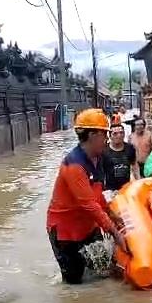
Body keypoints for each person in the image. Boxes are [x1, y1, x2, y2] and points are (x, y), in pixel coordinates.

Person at [47, 108, 127, 284]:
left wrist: (113, 217)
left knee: (104, 269)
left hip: (88, 227)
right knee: (74, 283)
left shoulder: (97, 159)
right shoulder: (74, 165)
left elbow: (98, 196)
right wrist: (115, 233)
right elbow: (89, 205)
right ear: (91, 135)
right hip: (65, 232)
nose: (107, 139)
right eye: (104, 134)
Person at [102, 117, 139, 191]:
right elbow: (100, 172)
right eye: (115, 134)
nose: (119, 135)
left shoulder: (130, 148)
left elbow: (134, 165)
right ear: (110, 136)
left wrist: (138, 181)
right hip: (110, 189)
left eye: (121, 132)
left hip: (127, 188)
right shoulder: (104, 150)